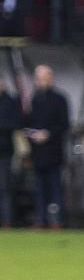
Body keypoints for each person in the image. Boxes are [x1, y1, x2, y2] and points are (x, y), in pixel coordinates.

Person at [23, 65, 69, 228]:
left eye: (45, 77)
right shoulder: (33, 99)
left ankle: (57, 220)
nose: (41, 81)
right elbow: (27, 123)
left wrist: (48, 134)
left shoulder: (59, 99)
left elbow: (64, 125)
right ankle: (40, 219)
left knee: (55, 187)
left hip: (54, 152)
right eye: (39, 77)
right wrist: (31, 138)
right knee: (39, 188)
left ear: (51, 78)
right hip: (37, 153)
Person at [0, 78, 19, 227]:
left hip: (4, 151)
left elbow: (15, 124)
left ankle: (7, 220)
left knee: (5, 186)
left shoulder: (10, 101)